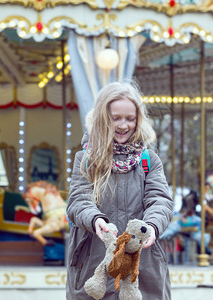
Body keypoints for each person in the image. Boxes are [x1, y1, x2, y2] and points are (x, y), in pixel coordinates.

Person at [66, 81, 173, 299]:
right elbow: (78, 199)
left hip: (143, 264)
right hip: (94, 262)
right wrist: (95, 219)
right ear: (103, 118)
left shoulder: (149, 160)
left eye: (130, 119)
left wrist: (151, 226)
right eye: (116, 118)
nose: (123, 125)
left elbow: (160, 200)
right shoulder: (85, 159)